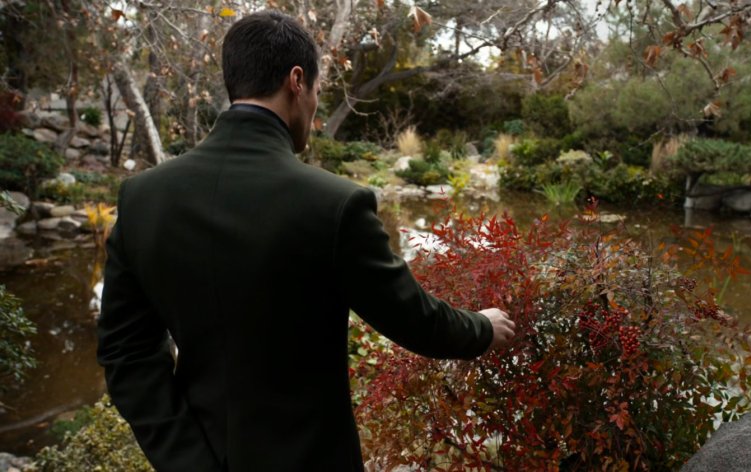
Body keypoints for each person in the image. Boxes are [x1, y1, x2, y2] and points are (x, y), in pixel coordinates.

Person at [96, 10, 516, 472]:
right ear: (297, 81)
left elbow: (126, 353)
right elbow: (411, 318)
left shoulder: (143, 198)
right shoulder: (335, 204)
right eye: (317, 90)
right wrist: (483, 328)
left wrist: (187, 460)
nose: (315, 109)